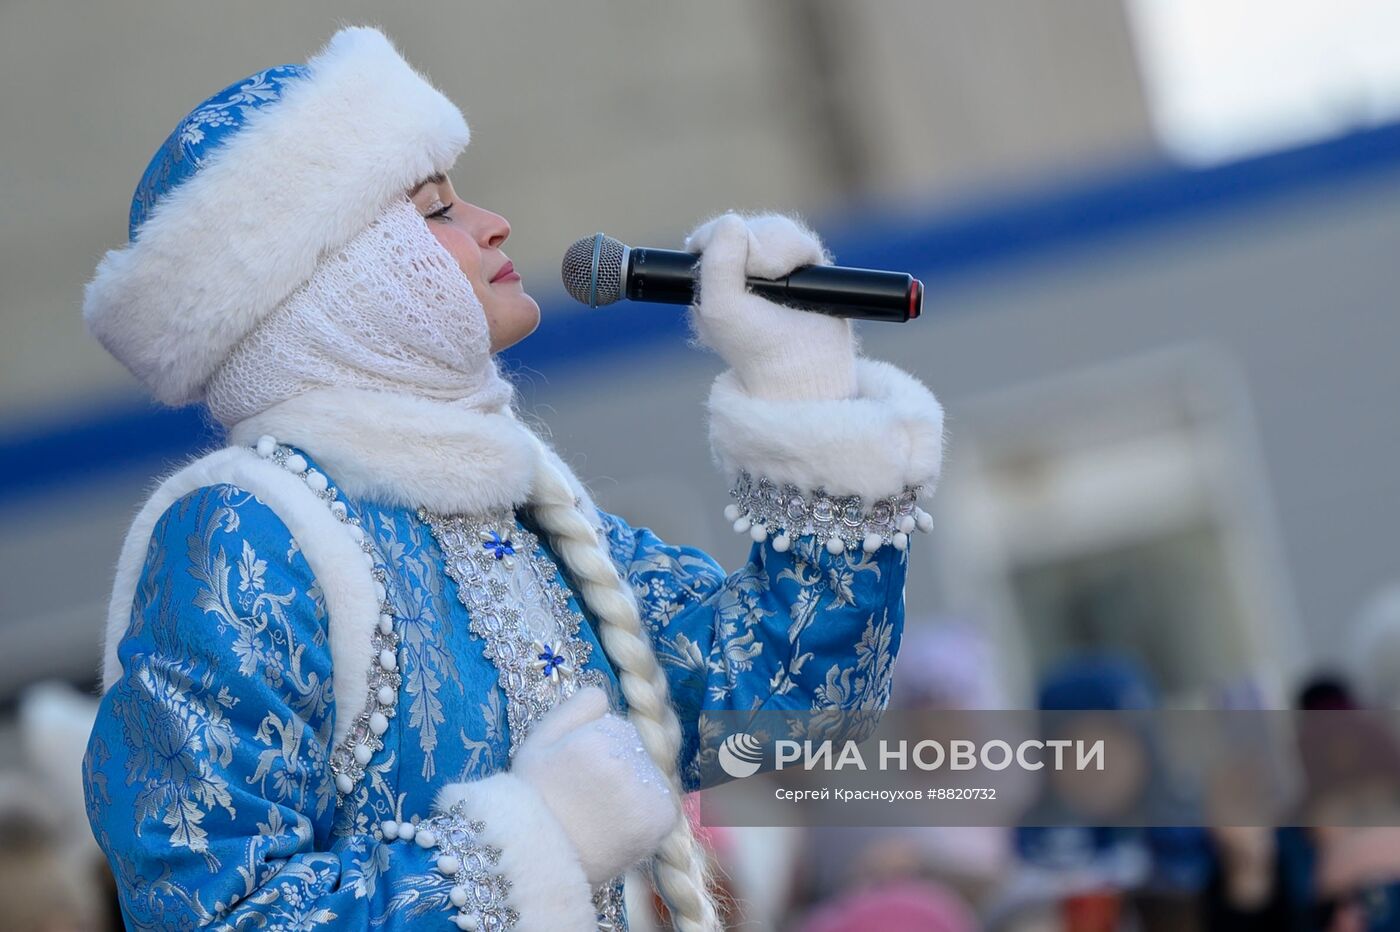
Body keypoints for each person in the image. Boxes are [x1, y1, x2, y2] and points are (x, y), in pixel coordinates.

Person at [79, 25, 945, 932]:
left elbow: (784, 708)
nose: (494, 223)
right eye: (436, 210)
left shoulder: (523, 507)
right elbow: (215, 913)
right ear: (339, 280)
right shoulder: (243, 531)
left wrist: (802, 389)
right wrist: (536, 843)